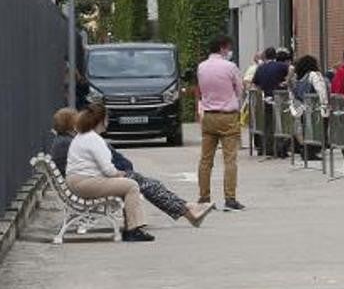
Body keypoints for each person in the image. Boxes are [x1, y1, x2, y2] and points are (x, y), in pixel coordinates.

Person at [51, 108, 212, 229]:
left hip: (87, 181)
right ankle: (187, 210)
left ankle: (188, 209)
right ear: (71, 124)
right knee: (141, 182)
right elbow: (100, 166)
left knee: (146, 182)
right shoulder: (73, 141)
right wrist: (117, 172)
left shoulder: (66, 141)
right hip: (89, 183)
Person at [65, 103, 153, 241]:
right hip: (86, 183)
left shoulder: (82, 136)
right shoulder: (94, 139)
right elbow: (108, 170)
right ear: (101, 120)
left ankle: (132, 227)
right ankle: (133, 230)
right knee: (131, 185)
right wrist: (121, 174)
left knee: (127, 184)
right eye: (106, 118)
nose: (108, 121)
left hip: (78, 181)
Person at [197, 35, 245, 211]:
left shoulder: (201, 67)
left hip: (208, 115)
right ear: (223, 48)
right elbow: (239, 90)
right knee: (230, 159)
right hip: (227, 116)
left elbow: (201, 91)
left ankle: (204, 197)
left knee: (205, 159)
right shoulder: (230, 67)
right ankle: (230, 198)